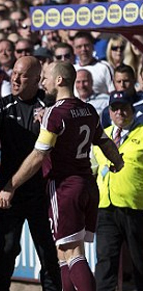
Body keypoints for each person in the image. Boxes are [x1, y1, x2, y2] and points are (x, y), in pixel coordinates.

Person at [0, 61, 124, 291]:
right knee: (63, 253)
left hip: (65, 188)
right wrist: (118, 161)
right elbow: (104, 141)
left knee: (73, 253)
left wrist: (11, 185)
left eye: (45, 77)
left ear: (59, 80)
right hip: (87, 185)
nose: (42, 82)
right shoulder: (88, 109)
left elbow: (37, 155)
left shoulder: (55, 113)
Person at [0, 56, 61, 291]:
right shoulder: (2, 106)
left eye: (23, 75)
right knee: (5, 251)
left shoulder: (49, 107)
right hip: (9, 193)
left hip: (42, 193)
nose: (15, 78)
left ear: (37, 79)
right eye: (14, 73)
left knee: (47, 253)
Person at [93, 92, 143, 291]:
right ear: (109, 112)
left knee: (140, 261)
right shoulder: (101, 136)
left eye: (124, 108)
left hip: (135, 207)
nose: (119, 112)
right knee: (105, 262)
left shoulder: (141, 132)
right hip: (106, 207)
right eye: (115, 109)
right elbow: (92, 168)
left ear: (132, 110)